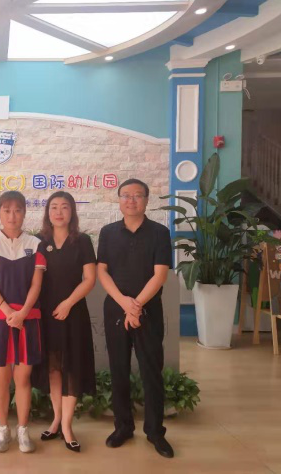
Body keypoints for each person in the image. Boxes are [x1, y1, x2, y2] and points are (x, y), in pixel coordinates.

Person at [96, 178, 174, 458]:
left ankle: (155, 432)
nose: (131, 200)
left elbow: (160, 275)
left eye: (137, 195)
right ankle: (123, 427)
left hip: (148, 311)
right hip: (116, 309)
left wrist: (137, 306)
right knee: (118, 369)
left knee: (151, 372)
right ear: (119, 200)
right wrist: (125, 304)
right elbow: (102, 271)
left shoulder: (159, 233)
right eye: (126, 195)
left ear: (146, 200)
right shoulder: (107, 232)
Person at [0, 190, 46, 454]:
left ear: (25, 213)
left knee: (23, 377)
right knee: (1, 376)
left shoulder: (36, 244)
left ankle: (23, 429)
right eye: (6, 210)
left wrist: (23, 312)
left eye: (17, 210)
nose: (12, 215)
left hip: (28, 319)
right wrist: (8, 312)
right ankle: (3, 428)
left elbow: (36, 284)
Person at [33, 191, 97, 453]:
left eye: (64, 207)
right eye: (54, 207)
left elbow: (90, 279)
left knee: (72, 367)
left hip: (73, 312)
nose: (59, 212)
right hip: (46, 313)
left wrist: (68, 303)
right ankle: (56, 419)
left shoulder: (82, 241)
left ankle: (68, 426)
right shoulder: (39, 242)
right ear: (47, 212)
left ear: (72, 212)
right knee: (53, 368)